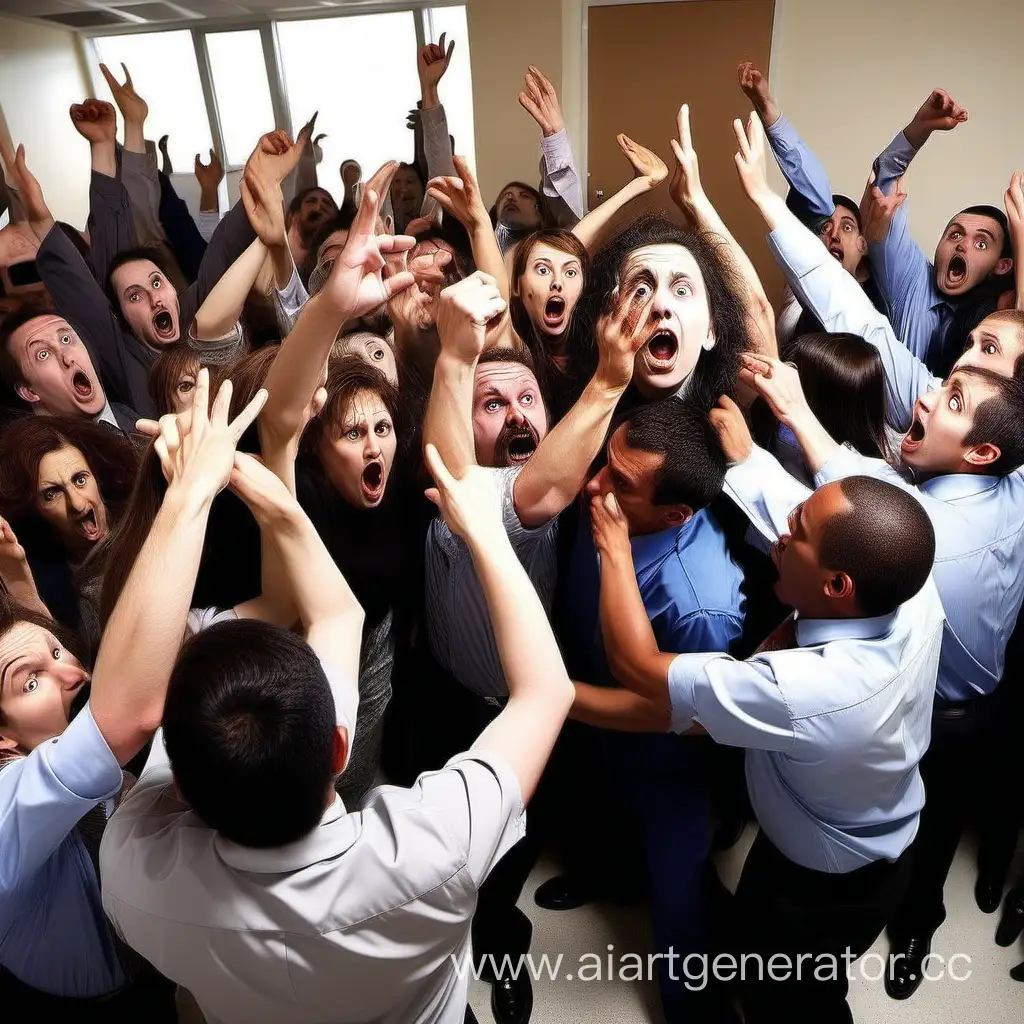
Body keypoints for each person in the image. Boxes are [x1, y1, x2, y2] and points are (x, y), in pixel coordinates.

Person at [99, 400, 576, 1024]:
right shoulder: (431, 852)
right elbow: (546, 691)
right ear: (340, 747)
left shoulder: (135, 878)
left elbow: (123, 713)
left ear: (180, 784)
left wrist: (185, 497)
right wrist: (485, 530)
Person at [585, 391, 940, 1024]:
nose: (780, 532)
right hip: (842, 830)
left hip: (828, 881)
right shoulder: (907, 583)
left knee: (794, 1002)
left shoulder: (807, 690)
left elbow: (639, 671)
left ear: (836, 587)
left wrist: (613, 543)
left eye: (795, 534)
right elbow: (829, 518)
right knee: (751, 939)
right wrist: (747, 459)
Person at [0, 369, 265, 1018]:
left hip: (152, 960)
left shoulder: (72, 747)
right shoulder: (9, 807)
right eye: (31, 681)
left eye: (63, 656)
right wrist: (189, 493)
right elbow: (129, 711)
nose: (74, 674)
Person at [554, 397, 746, 1024]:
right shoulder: (614, 505)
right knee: (605, 822)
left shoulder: (701, 606)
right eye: (605, 464)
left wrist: (557, 699)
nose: (594, 486)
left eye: (619, 483)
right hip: (598, 731)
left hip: (665, 764)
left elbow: (663, 712)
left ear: (674, 514)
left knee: (678, 899)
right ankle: (608, 879)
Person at [1, 122, 306, 418]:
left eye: (157, 283)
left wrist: (260, 181)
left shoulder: (193, 315)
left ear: (175, 290)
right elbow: (84, 298)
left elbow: (222, 250)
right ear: (121, 320)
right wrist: (42, 221)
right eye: (134, 296)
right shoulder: (125, 361)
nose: (154, 298)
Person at [737, 61, 886, 344]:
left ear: (864, 268)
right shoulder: (798, 291)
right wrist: (769, 109)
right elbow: (814, 196)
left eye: (847, 227)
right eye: (824, 227)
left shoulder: (872, 329)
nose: (833, 234)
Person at [868, 89, 1014, 375]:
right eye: (955, 235)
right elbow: (884, 191)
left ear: (1002, 265)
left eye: (981, 244)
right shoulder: (911, 279)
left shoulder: (1000, 318)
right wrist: (919, 128)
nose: (962, 246)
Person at [0, 416, 138, 631]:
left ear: (96, 476)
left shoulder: (147, 520)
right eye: (52, 494)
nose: (77, 503)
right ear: (35, 511)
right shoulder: (62, 597)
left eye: (80, 480)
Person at [0, 301, 139, 432]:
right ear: (29, 392)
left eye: (66, 339)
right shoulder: (51, 455)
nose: (67, 358)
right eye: (43, 354)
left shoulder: (128, 416)